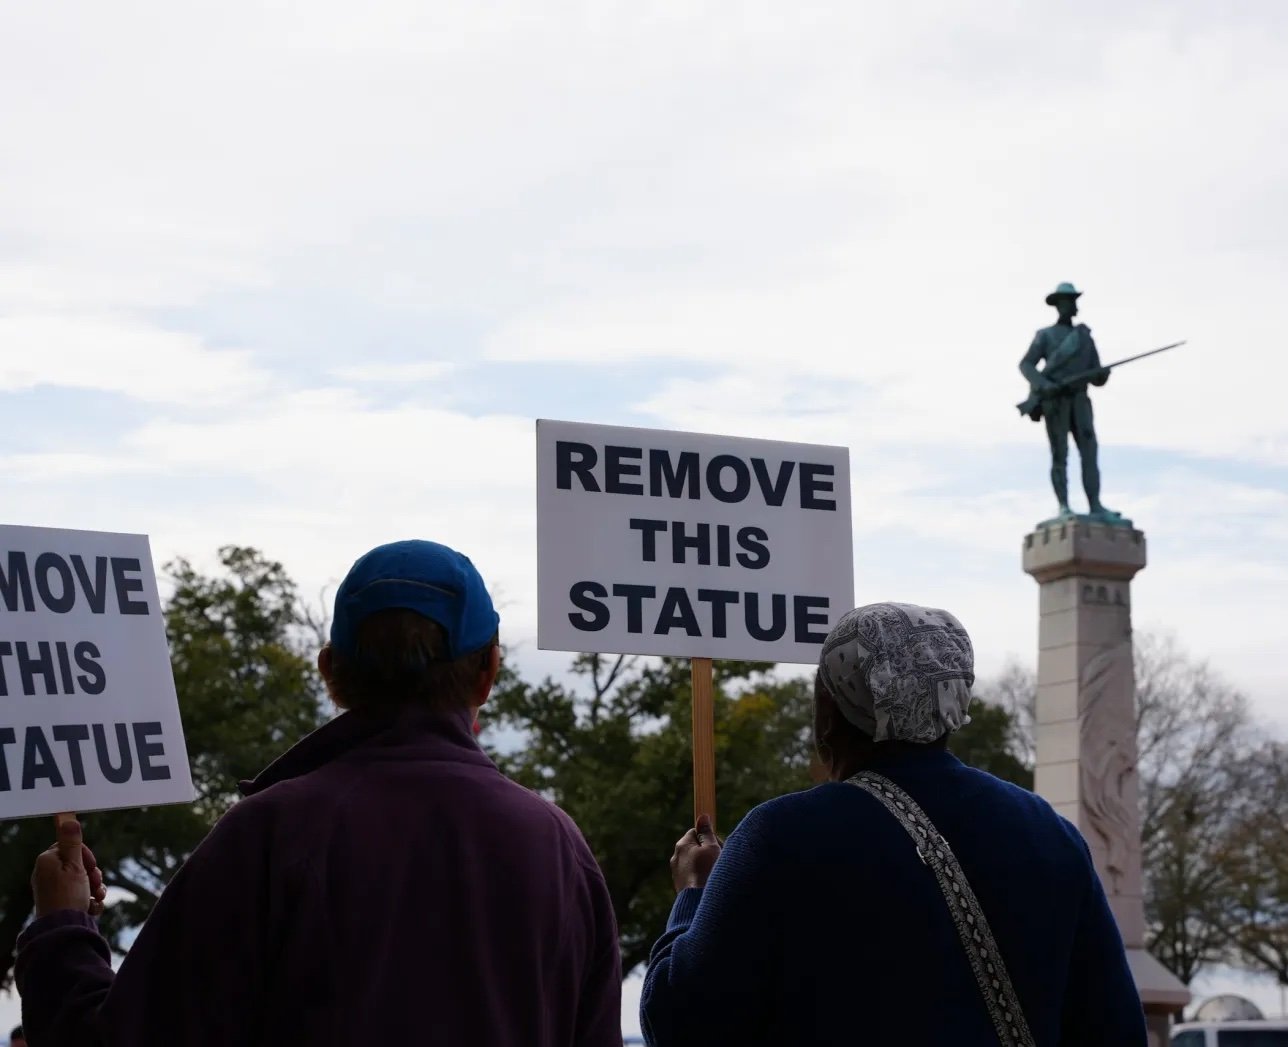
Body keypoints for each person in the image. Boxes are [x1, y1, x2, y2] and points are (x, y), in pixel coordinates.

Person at [17, 539, 623, 1046]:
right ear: (489, 673)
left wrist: (63, 925)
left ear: (330, 672)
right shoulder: (560, 849)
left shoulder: (268, 836)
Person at [640, 601, 1146, 1046]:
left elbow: (681, 1023)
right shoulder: (1050, 833)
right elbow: (1114, 1028)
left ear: (830, 712)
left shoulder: (780, 837)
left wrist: (695, 894)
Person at [1017, 281, 1126, 525]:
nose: (1071, 306)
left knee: (1089, 452)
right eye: (1067, 302)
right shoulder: (1045, 335)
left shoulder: (1084, 338)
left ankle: (1095, 504)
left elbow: (1096, 375)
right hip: (1056, 401)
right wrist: (1044, 385)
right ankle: (1064, 505)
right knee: (1060, 454)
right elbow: (1026, 364)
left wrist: (1102, 374)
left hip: (1080, 400)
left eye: (1073, 301)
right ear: (1058, 305)